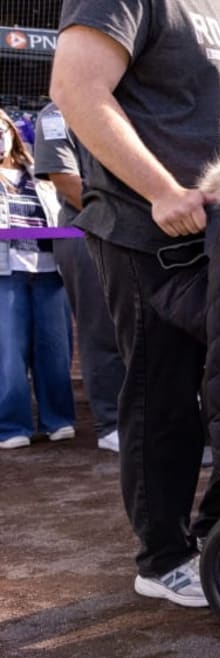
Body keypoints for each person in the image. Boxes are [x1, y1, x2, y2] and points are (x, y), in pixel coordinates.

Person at [51, 0, 220, 608]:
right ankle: (163, 557)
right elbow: (75, 88)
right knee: (164, 394)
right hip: (153, 230)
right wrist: (160, 189)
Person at [33, 101, 125, 453]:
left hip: (132, 234)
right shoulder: (58, 112)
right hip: (85, 235)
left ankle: (140, 414)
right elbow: (65, 179)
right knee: (101, 329)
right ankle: (110, 422)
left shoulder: (127, 103)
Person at [0, 108, 75, 450]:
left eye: (1, 128)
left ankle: (58, 419)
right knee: (8, 353)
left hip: (49, 271)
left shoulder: (38, 171)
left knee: (55, 349)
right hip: (7, 272)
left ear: (13, 132)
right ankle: (11, 426)